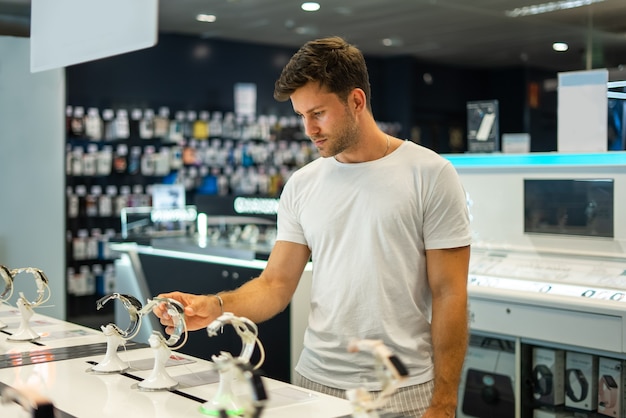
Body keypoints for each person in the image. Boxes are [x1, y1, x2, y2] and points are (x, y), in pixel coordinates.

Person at [155, 36, 471, 418]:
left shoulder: (430, 174)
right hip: (315, 383)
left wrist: (445, 399)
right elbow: (275, 284)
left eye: (318, 113)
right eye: (301, 115)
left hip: (404, 390)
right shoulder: (303, 184)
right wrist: (216, 305)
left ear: (356, 101)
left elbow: (449, 294)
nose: (308, 129)